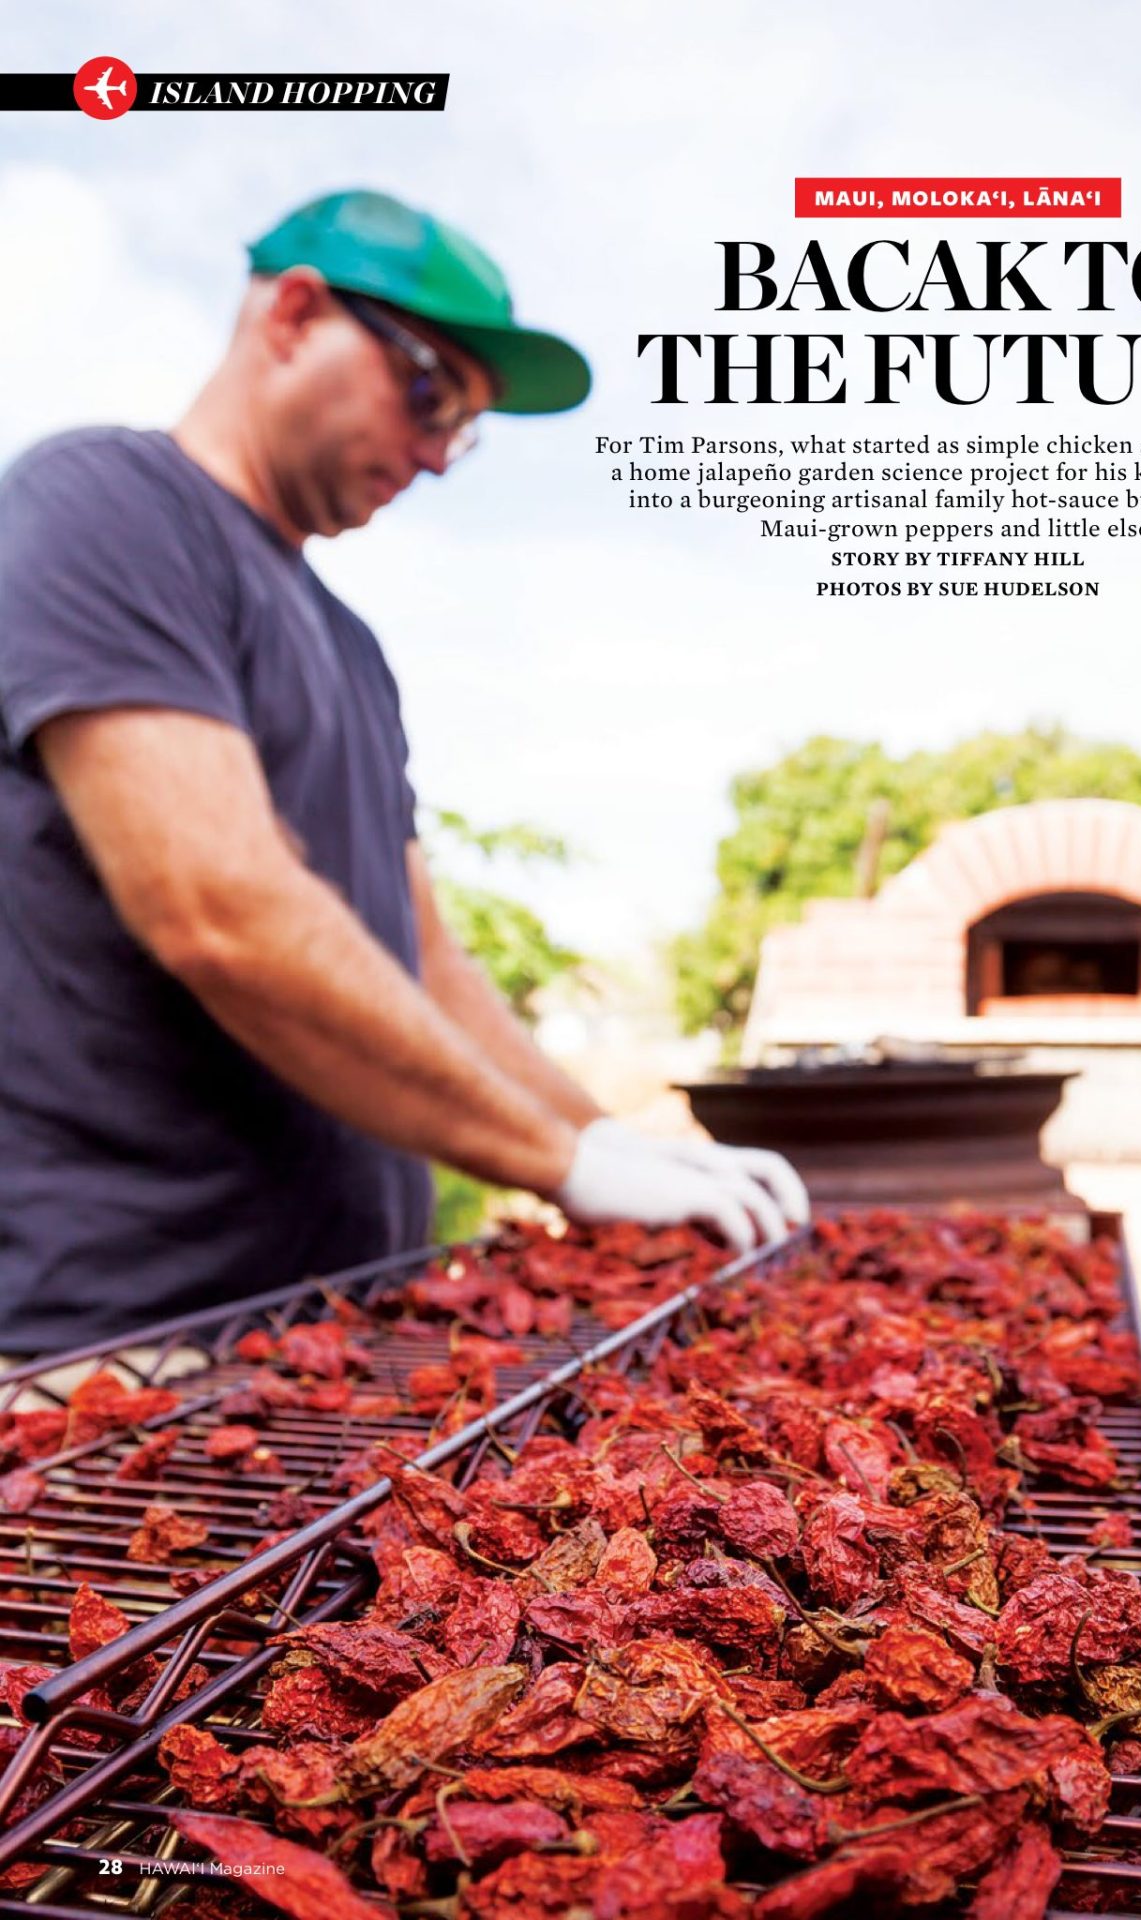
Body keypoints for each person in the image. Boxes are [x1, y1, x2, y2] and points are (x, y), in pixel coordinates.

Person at [0, 189, 806, 1354]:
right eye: (431, 391)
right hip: (123, 1357)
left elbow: (424, 960)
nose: (437, 456)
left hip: (346, 1333)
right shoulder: (106, 509)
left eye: (466, 430)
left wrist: (612, 1140)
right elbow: (217, 907)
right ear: (293, 314)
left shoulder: (351, 651)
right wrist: (562, 1165)